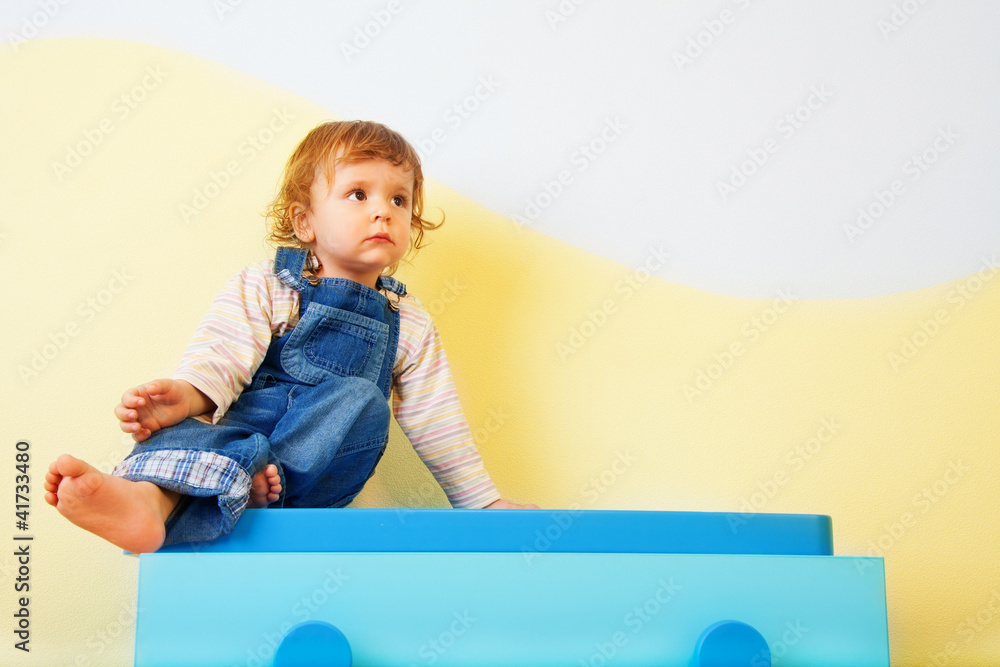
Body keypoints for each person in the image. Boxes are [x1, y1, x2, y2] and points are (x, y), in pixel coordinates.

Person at [44, 120, 534, 553]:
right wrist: (188, 396)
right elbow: (223, 356)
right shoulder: (269, 284)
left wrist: (483, 502)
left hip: (309, 479)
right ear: (305, 222)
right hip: (240, 442)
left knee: (361, 399)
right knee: (187, 430)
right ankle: (147, 503)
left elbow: (438, 419)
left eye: (399, 199)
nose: (383, 211)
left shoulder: (408, 321)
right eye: (358, 194)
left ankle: (249, 485)